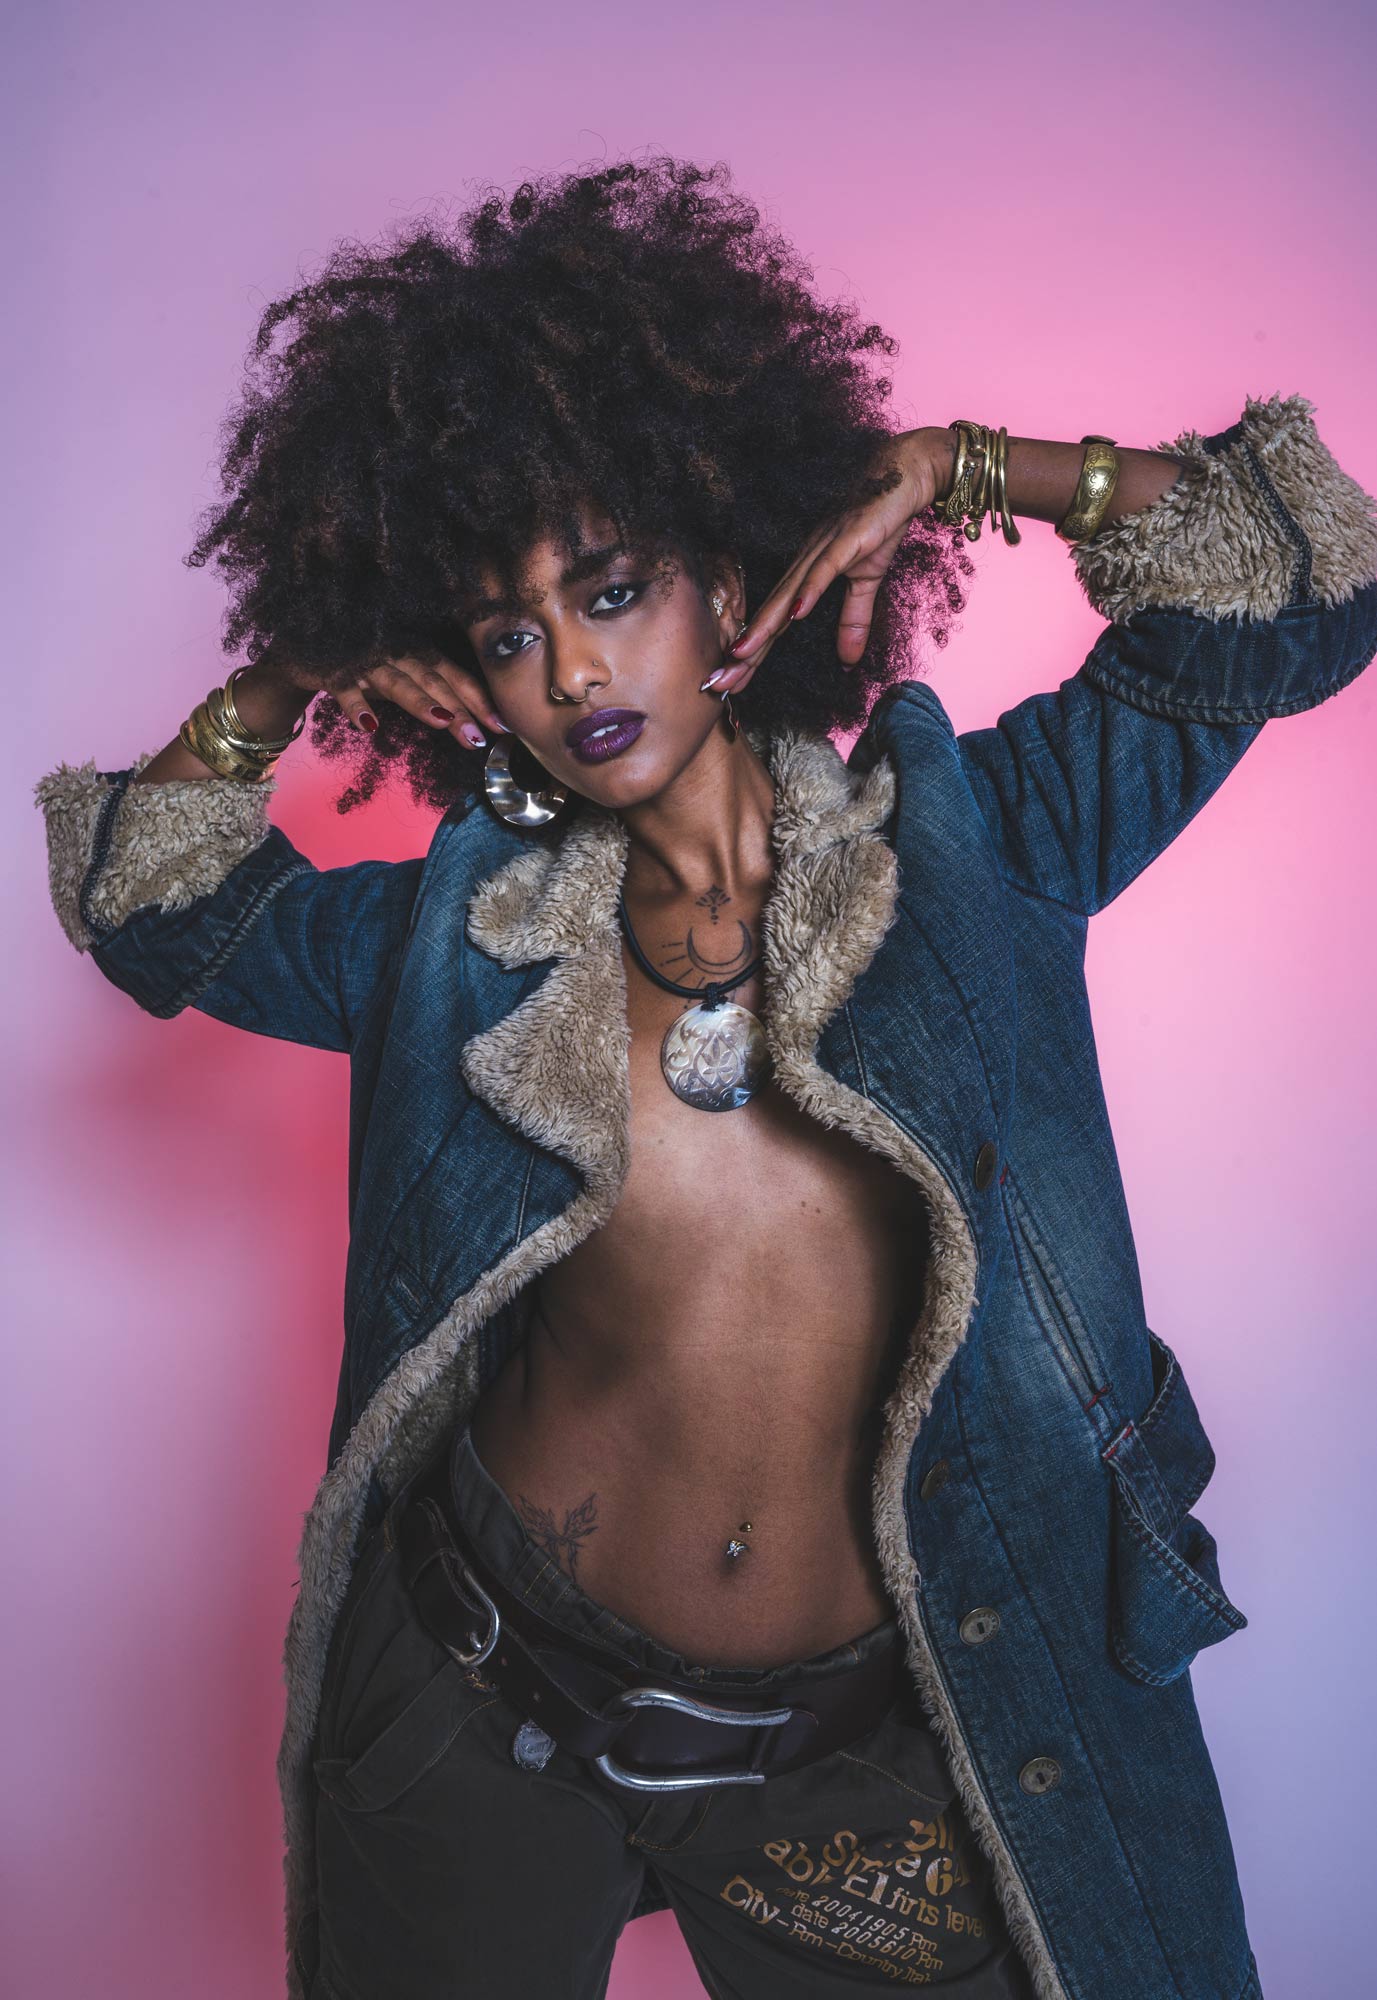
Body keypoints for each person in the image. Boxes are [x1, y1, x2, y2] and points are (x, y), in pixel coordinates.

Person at [34, 156, 1377, 2000]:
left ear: (727, 579)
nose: (573, 666)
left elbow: (1303, 586)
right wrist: (303, 671)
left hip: (846, 1765)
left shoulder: (981, 850)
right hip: (482, 1706)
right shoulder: (453, 940)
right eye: (510, 632)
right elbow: (149, 900)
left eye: (608, 590)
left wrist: (964, 466)